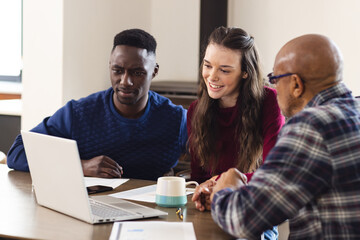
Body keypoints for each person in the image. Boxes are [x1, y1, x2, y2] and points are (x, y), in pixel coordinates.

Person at [210, 34, 360, 239]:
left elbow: (244, 220)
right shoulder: (354, 112)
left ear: (296, 84)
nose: (273, 87)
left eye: (275, 79)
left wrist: (224, 189)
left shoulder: (312, 127)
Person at [7, 29, 187, 181]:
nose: (125, 81)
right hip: (92, 213)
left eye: (137, 72)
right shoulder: (78, 114)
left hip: (156, 215)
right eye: (118, 70)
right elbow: (17, 153)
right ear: (110, 66)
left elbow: (212, 164)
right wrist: (81, 166)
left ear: (154, 71)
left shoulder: (177, 119)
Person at [188, 27, 284, 239]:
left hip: (254, 208)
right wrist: (205, 188)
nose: (212, 76)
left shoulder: (270, 102)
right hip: (212, 209)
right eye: (207, 65)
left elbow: (274, 173)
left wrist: (222, 180)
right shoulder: (196, 110)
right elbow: (199, 177)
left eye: (224, 70)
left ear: (245, 72)